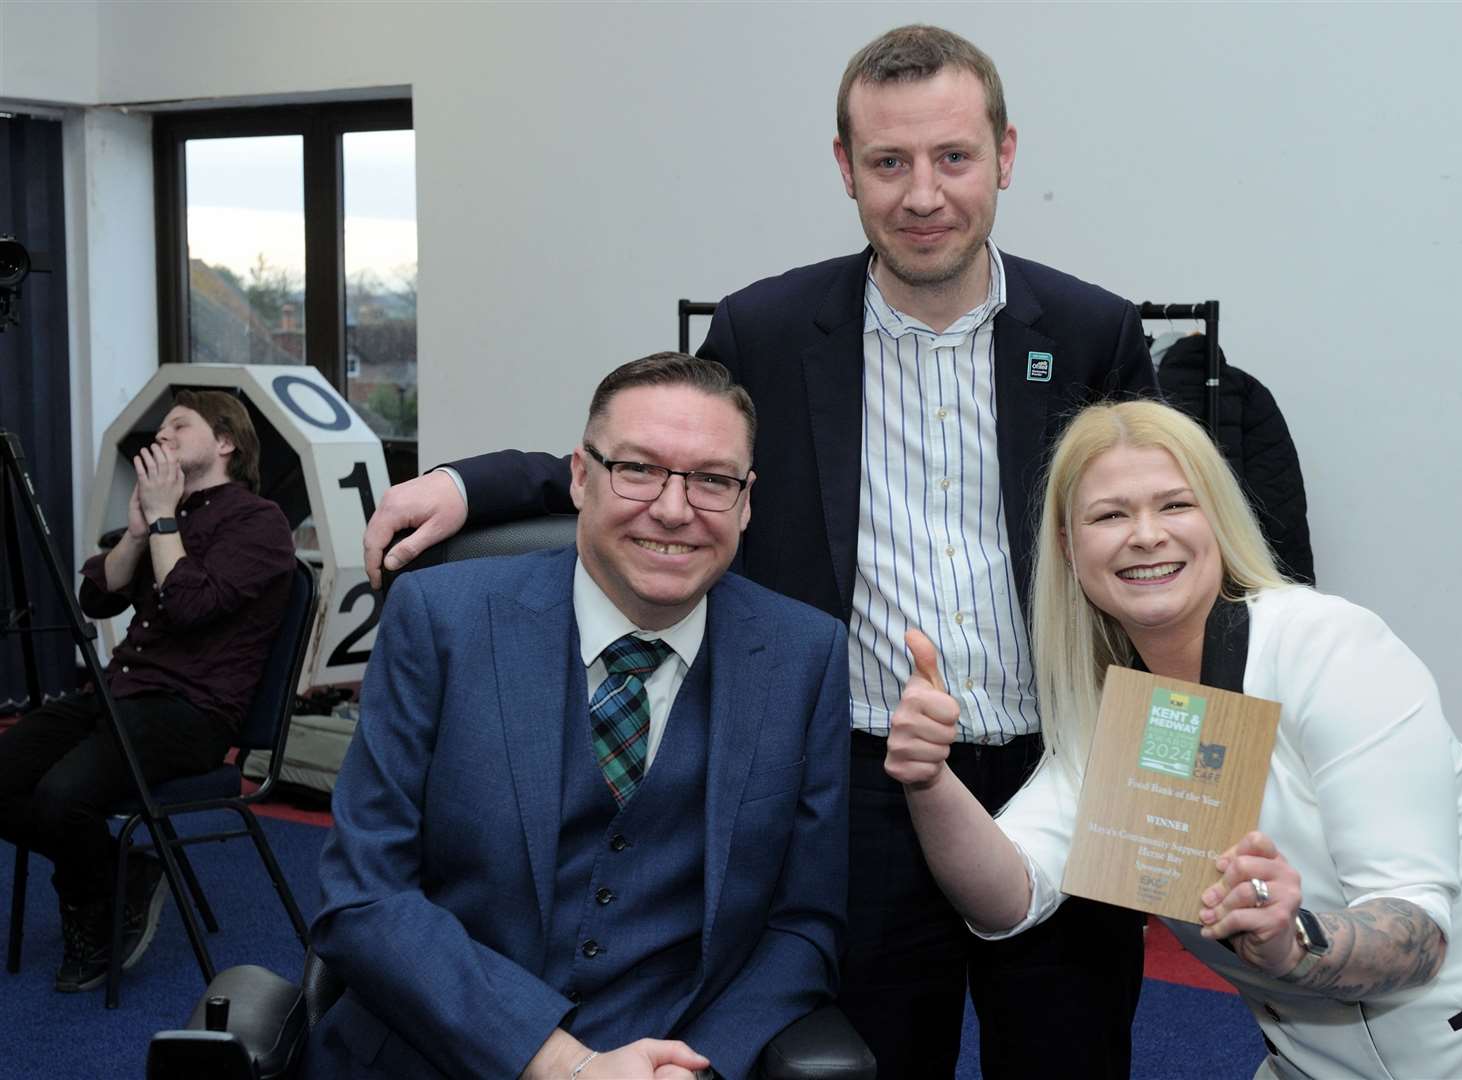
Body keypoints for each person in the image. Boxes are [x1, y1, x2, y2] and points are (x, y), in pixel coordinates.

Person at [358, 25, 1155, 1080]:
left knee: (1071, 1058)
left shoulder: (1094, 333)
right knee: (865, 1062)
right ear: (845, 169)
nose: (923, 194)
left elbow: (1172, 537)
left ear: (1005, 155)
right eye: (889, 162)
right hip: (859, 788)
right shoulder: (771, 328)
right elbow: (667, 463)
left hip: (1062, 770)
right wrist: (474, 484)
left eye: (953, 158)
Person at [885, 398, 1462, 1078]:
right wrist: (929, 781)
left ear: (1217, 522)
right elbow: (1005, 899)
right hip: (1321, 1057)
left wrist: (1290, 943)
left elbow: (1416, 931)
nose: (1144, 536)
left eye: (1173, 505)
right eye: (1108, 515)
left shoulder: (1326, 646)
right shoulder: (1122, 716)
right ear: (1068, 549)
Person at [306, 354, 849, 1080]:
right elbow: (364, 895)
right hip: (433, 1052)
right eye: (638, 469)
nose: (673, 509)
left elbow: (802, 926)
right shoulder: (442, 620)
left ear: (747, 502)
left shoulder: (804, 655)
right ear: (580, 478)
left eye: (712, 481)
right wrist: (562, 1064)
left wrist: (691, 1068)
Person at [0, 390, 294, 992]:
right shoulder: (168, 516)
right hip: (121, 694)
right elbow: (95, 596)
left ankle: (95, 909)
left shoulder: (259, 523)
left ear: (225, 442)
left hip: (194, 713)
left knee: (63, 797)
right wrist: (137, 532)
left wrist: (161, 519)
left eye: (178, 426)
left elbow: (188, 607)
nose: (160, 437)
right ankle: (123, 872)